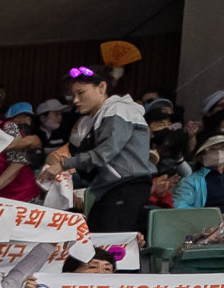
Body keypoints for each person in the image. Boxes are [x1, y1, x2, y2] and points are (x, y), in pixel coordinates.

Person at [47, 66, 152, 234]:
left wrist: (63, 165)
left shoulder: (118, 109)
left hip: (126, 186)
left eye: (81, 93)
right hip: (109, 188)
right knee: (95, 240)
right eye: (72, 95)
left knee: (110, 245)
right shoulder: (91, 121)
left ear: (102, 87)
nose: (75, 100)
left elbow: (105, 153)